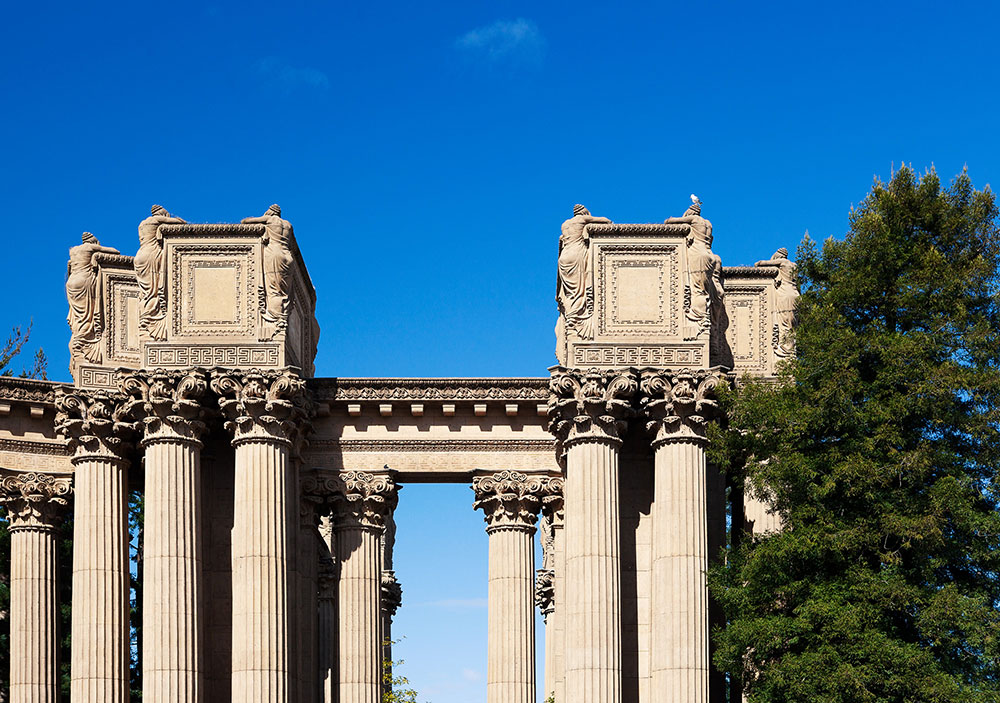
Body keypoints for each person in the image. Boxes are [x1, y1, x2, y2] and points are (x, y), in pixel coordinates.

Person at [664, 195, 723, 328]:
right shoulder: (708, 223)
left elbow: (671, 221)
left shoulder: (695, 219)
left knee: (698, 289)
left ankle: (699, 320)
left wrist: (678, 218)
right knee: (706, 289)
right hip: (710, 255)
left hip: (699, 255)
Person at [556, 204, 611, 341]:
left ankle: (570, 319)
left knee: (570, 293)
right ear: (584, 212)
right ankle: (574, 321)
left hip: (564, 257)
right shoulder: (582, 220)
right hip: (576, 255)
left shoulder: (565, 224)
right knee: (579, 291)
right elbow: (605, 220)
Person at [66, 232, 120, 368]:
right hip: (84, 281)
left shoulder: (73, 251)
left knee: (78, 318)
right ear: (93, 242)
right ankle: (80, 344)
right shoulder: (89, 248)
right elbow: (114, 252)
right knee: (87, 318)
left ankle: (76, 344)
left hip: (71, 283)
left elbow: (69, 266)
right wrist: (97, 251)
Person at [242, 204, 295, 338]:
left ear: (270, 212)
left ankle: (276, 323)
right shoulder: (288, 224)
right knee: (284, 293)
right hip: (288, 257)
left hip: (275, 253)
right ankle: (283, 319)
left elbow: (246, 221)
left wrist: (264, 219)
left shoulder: (271, 220)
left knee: (273, 291)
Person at [134, 205, 185, 340]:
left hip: (139, 257)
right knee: (153, 292)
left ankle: (145, 320)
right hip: (151, 256)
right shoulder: (155, 221)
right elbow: (180, 224)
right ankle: (150, 322)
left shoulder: (142, 224)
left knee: (146, 293)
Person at [755, 247, 799, 357]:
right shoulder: (795, 266)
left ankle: (786, 350)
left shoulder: (783, 262)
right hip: (795, 294)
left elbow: (761, 263)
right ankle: (791, 348)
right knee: (793, 323)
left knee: (784, 321)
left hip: (785, 294)